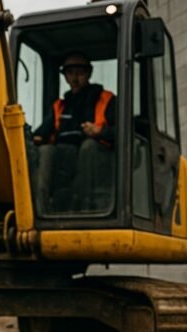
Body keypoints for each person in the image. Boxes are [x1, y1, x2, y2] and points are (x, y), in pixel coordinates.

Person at [31, 52, 117, 213]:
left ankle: (83, 208)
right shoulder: (60, 106)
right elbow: (42, 133)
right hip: (65, 159)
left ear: (89, 73)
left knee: (88, 147)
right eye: (70, 73)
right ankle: (39, 210)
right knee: (45, 150)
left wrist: (100, 132)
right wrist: (33, 139)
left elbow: (123, 133)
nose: (75, 77)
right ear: (65, 76)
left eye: (80, 72)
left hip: (100, 162)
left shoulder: (106, 100)